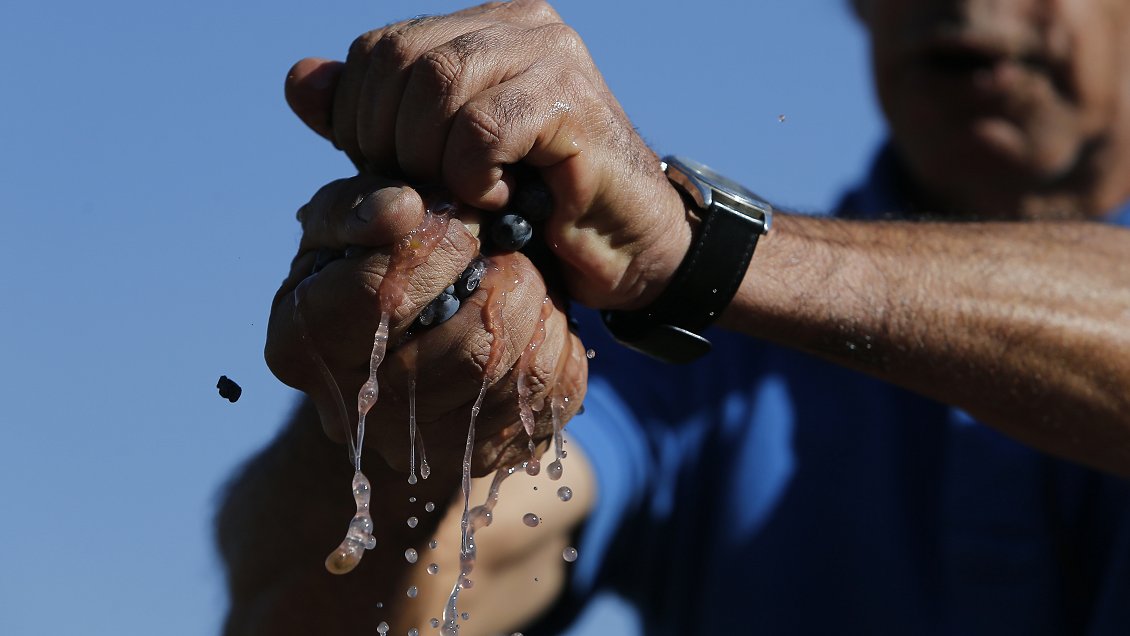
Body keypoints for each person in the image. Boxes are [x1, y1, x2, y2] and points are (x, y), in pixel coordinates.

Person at [217, 1, 1130, 634]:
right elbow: (422, 577)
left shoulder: (702, 294)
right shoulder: (692, 350)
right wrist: (415, 346)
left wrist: (697, 248)